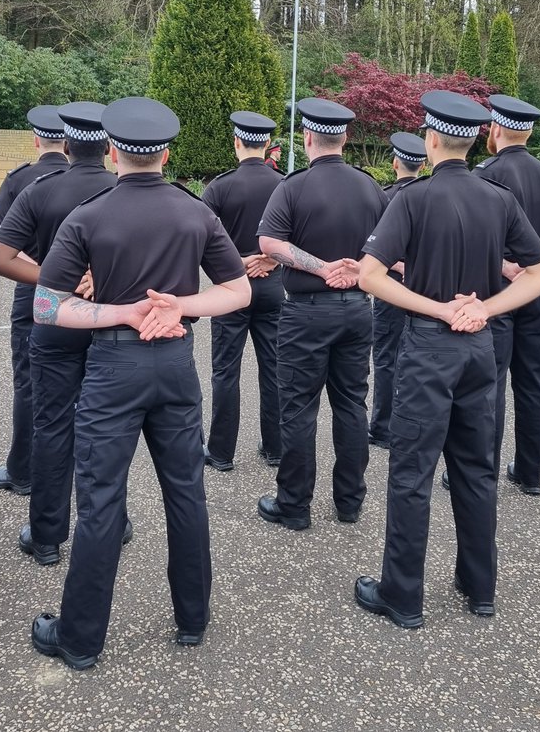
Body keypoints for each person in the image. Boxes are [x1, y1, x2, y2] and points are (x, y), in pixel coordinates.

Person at [29, 96, 250, 669]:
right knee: (186, 491)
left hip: (115, 367)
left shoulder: (90, 214)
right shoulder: (194, 211)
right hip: (176, 363)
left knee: (101, 500)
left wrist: (122, 312)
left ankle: (79, 640)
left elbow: (48, 307)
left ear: (113, 150)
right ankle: (192, 619)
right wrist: (180, 306)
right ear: (166, 154)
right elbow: (238, 291)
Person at [352, 90, 540, 629]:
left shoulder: (413, 200)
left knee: (412, 471)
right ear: (472, 141)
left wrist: (439, 309)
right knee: (476, 469)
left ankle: (402, 594)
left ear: (431, 138)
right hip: (478, 347)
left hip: (429, 346)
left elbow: (370, 275)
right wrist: (482, 309)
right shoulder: (498, 199)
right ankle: (479, 585)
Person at [0, 103, 122, 566]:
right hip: (111, 325)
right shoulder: (125, 190)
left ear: (65, 144)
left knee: (52, 425)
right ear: (109, 146)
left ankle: (46, 536)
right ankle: (113, 522)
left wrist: (53, 278)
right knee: (107, 430)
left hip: (53, 322)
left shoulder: (41, 188)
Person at [256, 97, 389, 531]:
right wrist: (353, 268)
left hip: (307, 313)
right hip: (358, 310)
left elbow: (270, 245)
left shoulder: (292, 187)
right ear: (345, 138)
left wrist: (318, 267)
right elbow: (393, 248)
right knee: (352, 404)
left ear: (308, 137)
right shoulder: (371, 187)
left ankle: (294, 505)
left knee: (298, 408)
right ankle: (350, 502)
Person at [473, 94, 540, 496]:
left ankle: (484, 470)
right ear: (529, 132)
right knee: (534, 383)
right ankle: (530, 474)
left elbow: (474, 236)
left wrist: (506, 267)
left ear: (495, 129)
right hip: (535, 294)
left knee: (490, 383)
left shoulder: (485, 173)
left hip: (496, 292)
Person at [0, 106, 70, 497]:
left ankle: (22, 472)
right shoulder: (103, 181)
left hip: (35, 289)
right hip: (94, 293)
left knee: (29, 382)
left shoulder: (21, 179)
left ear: (37, 140)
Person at [200, 111, 285, 470]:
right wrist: (272, 261)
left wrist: (233, 267)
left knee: (225, 371)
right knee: (275, 368)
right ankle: (275, 447)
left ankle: (220, 452)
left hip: (230, 290)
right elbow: (297, 236)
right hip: (273, 287)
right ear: (266, 144)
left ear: (236, 142)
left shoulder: (219, 187)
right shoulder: (285, 183)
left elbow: (201, 241)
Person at [368, 131, 427, 450]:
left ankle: (382, 428)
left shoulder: (386, 197)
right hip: (426, 289)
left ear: (394, 163)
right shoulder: (430, 195)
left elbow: (372, 247)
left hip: (390, 286)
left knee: (387, 357)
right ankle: (412, 422)